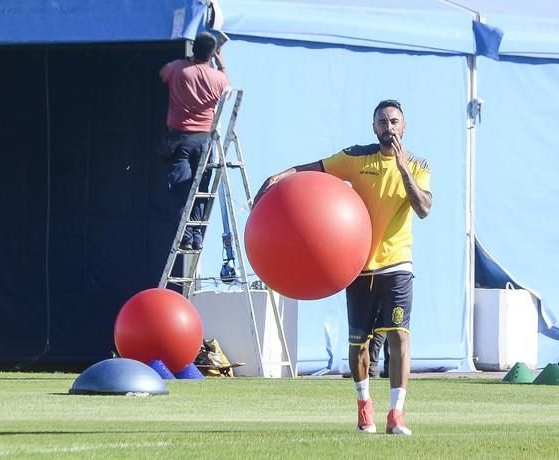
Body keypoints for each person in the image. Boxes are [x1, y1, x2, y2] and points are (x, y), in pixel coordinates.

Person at [254, 99, 431, 435]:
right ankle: (365, 407)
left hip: (397, 264)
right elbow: (316, 168)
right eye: (382, 122)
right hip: (358, 265)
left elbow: (423, 208)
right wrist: (281, 175)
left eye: (394, 121)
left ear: (403, 127)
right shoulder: (356, 157)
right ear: (373, 126)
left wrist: (404, 169)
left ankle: (397, 414)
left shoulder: (419, 165)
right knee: (358, 345)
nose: (388, 127)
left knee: (399, 337)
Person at [159, 31, 229, 251]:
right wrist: (222, 65)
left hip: (179, 138)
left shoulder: (178, 68)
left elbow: (163, 73)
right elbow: (226, 91)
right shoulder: (219, 78)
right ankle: (197, 236)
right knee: (200, 188)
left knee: (181, 190)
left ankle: (186, 237)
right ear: (212, 54)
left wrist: (188, 61)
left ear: (193, 50)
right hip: (203, 140)